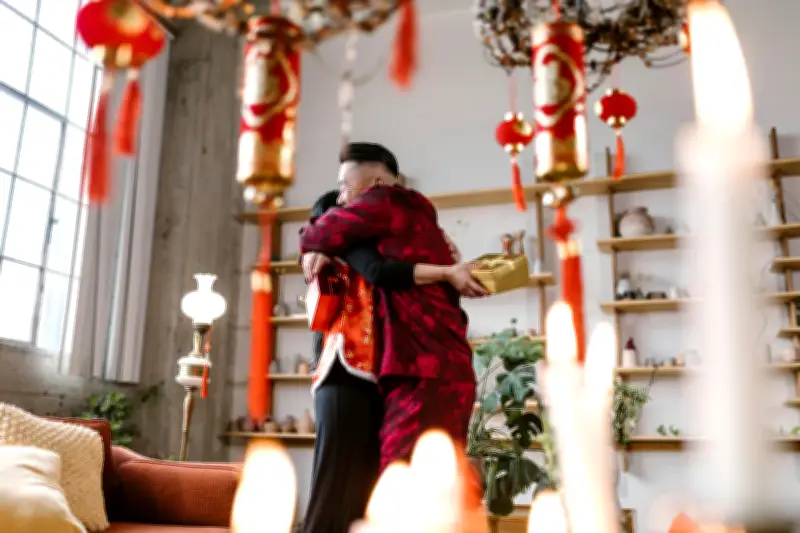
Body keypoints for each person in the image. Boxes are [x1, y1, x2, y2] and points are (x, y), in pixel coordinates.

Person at [302, 190, 483, 533]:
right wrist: (447, 271)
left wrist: (445, 262)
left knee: (371, 484)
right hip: (347, 367)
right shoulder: (347, 242)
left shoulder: (381, 237)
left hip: (380, 375)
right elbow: (378, 271)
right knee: (338, 480)